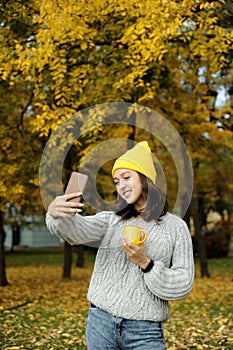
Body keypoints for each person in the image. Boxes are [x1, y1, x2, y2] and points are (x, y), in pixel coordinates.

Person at [46, 141, 194, 350]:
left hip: (145, 330)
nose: (121, 185)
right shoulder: (111, 220)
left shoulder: (176, 228)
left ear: (146, 180)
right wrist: (55, 213)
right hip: (101, 323)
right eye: (117, 181)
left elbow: (182, 284)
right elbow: (75, 232)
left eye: (127, 177)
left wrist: (146, 263)